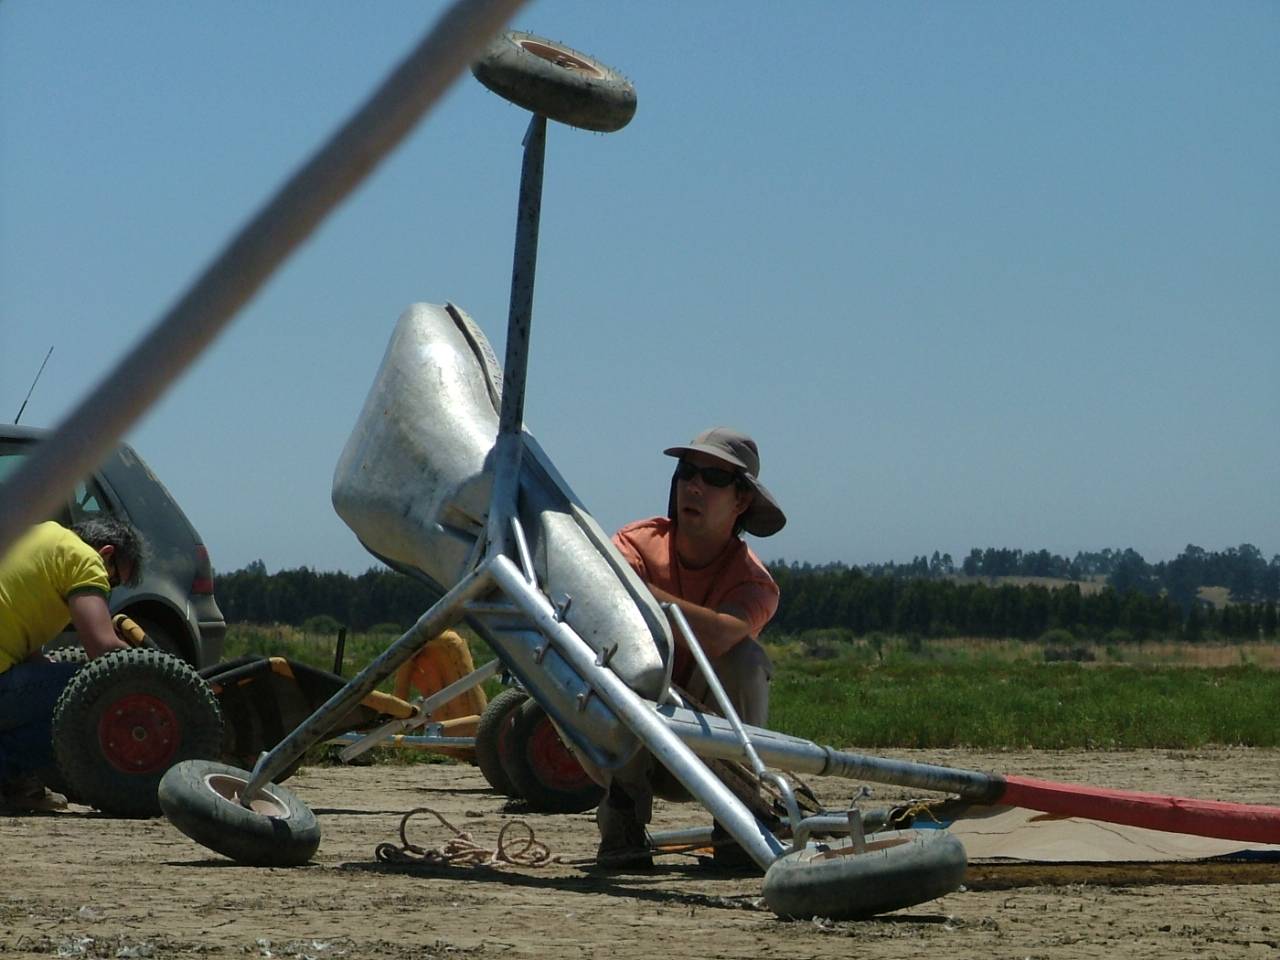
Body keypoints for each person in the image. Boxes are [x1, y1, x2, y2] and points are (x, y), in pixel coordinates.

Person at [598, 427, 786, 868]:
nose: (694, 486)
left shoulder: (754, 583)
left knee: (747, 657)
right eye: (687, 472)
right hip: (625, 750)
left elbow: (721, 635)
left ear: (741, 500)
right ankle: (622, 822)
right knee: (611, 649)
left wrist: (641, 594)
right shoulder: (636, 544)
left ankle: (738, 823)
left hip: (706, 756)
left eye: (714, 478)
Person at [0, 517, 144, 812]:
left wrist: (50, 668)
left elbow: (20, 639)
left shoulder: (38, 535)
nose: (107, 588)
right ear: (106, 553)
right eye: (114, 581)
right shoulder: (85, 559)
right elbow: (103, 649)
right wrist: (151, 670)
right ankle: (7, 775)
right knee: (88, 697)